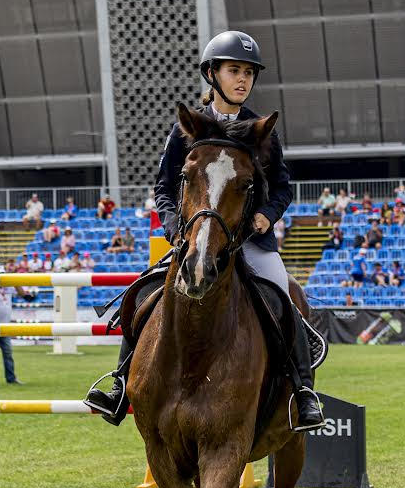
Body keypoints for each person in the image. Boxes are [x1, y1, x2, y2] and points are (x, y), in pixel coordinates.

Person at [85, 29, 324, 430]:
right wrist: (176, 225)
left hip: (250, 240)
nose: (243, 80)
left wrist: (267, 214)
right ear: (212, 74)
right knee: (145, 292)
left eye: (249, 72)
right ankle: (120, 382)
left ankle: (303, 391)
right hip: (195, 236)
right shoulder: (188, 127)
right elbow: (164, 187)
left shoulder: (261, 128)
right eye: (235, 71)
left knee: (282, 297)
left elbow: (282, 186)